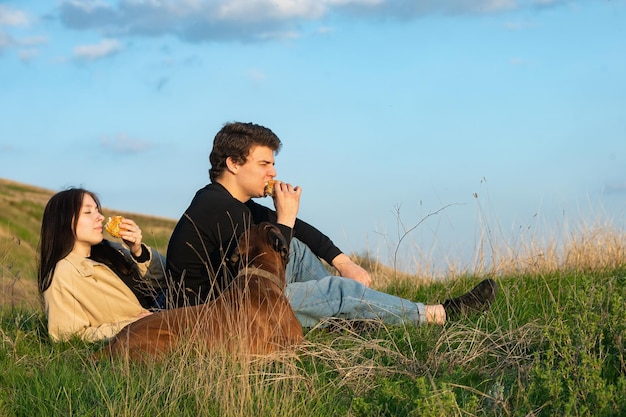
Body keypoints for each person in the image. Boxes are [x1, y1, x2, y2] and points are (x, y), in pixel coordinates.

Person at [166, 122, 497, 328]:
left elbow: (298, 237)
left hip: (240, 300)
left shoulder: (235, 205)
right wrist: (285, 218)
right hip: (214, 319)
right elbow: (268, 264)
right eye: (264, 163)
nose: (273, 173)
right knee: (333, 289)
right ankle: (439, 315)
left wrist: (344, 262)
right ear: (233, 164)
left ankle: (347, 319)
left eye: (273, 164)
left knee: (296, 248)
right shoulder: (215, 208)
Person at [38, 188, 167, 342]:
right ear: (64, 221)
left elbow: (165, 278)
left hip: (164, 306)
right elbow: (66, 336)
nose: (100, 217)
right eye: (88, 212)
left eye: (97, 210)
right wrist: (133, 326)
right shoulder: (63, 273)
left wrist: (138, 251)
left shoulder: (111, 249)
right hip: (152, 329)